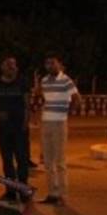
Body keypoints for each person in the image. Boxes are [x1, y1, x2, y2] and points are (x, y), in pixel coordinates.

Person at [0, 55, 32, 201]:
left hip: (20, 127)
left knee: (22, 160)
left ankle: (23, 190)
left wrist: (25, 123)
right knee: (7, 161)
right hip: (3, 128)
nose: (12, 67)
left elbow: (27, 104)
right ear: (2, 67)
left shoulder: (22, 82)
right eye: (8, 64)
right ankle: (10, 191)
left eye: (14, 64)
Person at [37, 54, 81, 205]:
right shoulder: (44, 81)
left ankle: (62, 195)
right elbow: (42, 97)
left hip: (59, 123)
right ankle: (52, 193)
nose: (50, 66)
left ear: (59, 65)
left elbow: (77, 99)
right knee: (48, 161)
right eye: (47, 64)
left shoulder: (66, 81)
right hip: (46, 122)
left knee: (60, 161)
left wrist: (67, 114)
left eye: (53, 64)